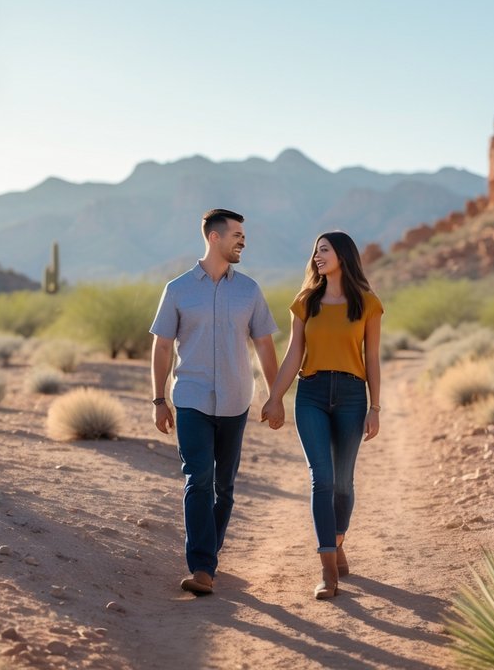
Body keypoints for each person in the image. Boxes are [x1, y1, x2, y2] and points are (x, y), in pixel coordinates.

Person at [150, 208, 280, 595]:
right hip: (190, 398)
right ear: (214, 238)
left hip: (236, 401)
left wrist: (275, 397)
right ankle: (203, 566)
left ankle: (210, 549)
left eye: (243, 235)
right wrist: (159, 399)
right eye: (237, 235)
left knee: (225, 486)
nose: (243, 241)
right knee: (198, 478)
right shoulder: (177, 289)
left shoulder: (250, 291)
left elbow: (265, 345)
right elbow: (160, 346)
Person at [261, 230, 383, 600]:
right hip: (311, 393)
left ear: (343, 255)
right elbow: (293, 354)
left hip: (351, 395)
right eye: (315, 251)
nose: (317, 256)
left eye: (324, 250)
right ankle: (328, 570)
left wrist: (375, 407)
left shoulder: (367, 303)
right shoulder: (306, 301)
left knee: (344, 483)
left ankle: (337, 539)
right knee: (322, 479)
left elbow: (372, 359)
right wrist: (275, 397)